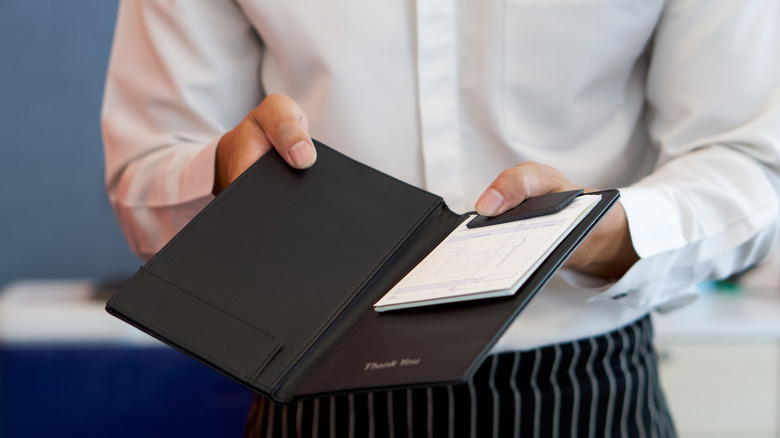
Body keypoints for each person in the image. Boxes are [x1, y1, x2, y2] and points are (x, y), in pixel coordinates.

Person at [101, 1, 780, 436]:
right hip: (311, 391)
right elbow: (146, 173)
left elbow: (751, 161)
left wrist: (605, 232)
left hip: (586, 389)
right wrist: (227, 179)